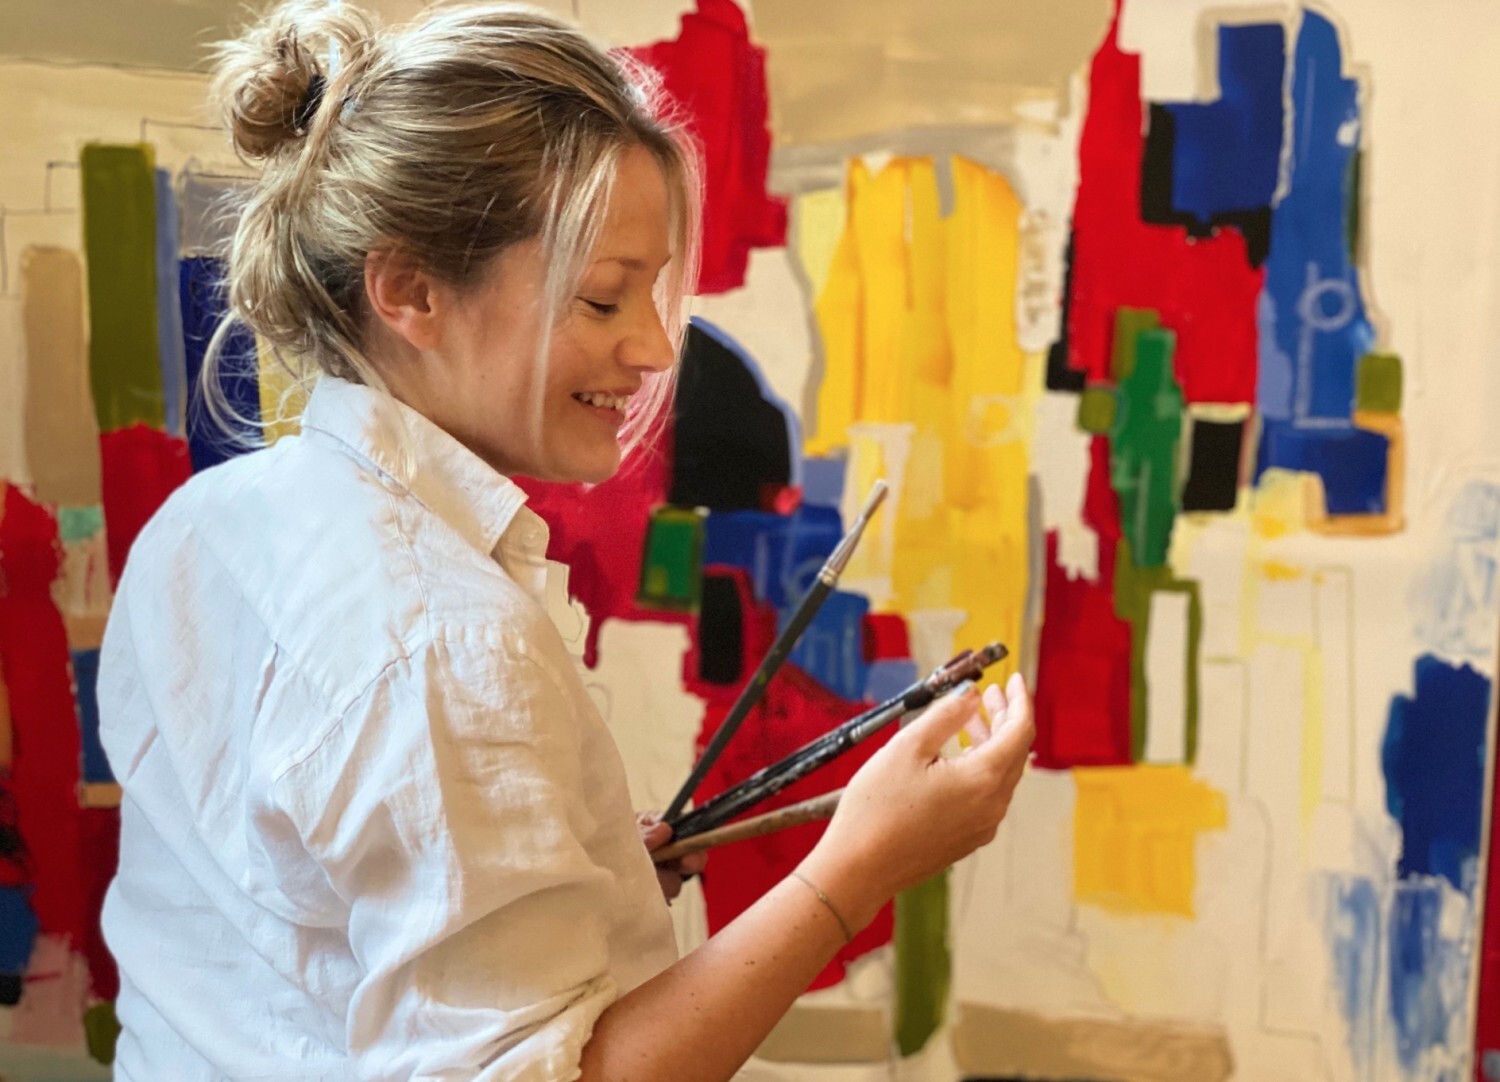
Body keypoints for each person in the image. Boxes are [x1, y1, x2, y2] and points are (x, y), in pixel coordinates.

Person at [97, 2, 1036, 1079]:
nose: (648, 348)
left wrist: (562, 864)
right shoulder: (442, 640)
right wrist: (859, 865)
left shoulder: (207, 524)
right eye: (601, 298)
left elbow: (295, 900)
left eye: (652, 292)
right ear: (409, 288)